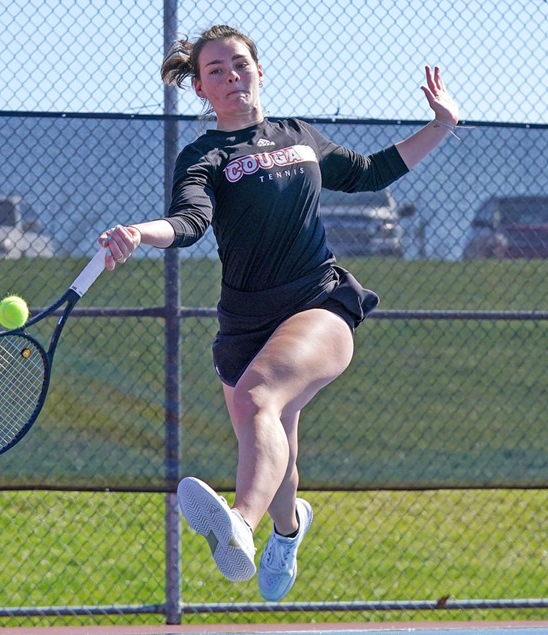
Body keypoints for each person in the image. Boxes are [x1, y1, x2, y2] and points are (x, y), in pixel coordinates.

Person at [99, 24, 459, 601]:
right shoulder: (204, 157)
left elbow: (369, 173)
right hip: (244, 326)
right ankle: (287, 532)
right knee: (273, 442)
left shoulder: (298, 135)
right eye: (215, 70)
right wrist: (139, 234)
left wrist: (442, 125)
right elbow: (189, 224)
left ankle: (240, 522)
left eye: (240, 64)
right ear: (200, 89)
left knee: (258, 399)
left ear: (259, 72)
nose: (231, 76)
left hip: (319, 303)